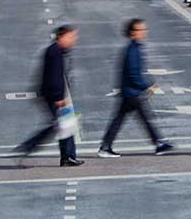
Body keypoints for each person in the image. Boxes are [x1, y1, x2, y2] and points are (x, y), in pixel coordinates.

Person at [98, 19, 173, 158]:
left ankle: (105, 146)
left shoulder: (133, 48)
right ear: (132, 32)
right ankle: (158, 143)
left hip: (129, 92)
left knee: (122, 119)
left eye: (144, 29)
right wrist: (147, 85)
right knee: (144, 118)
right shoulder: (133, 50)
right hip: (132, 92)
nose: (143, 32)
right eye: (140, 29)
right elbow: (133, 74)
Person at [16, 25, 84, 167]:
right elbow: (54, 77)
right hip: (54, 96)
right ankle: (29, 146)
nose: (73, 39)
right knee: (61, 125)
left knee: (65, 125)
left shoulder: (59, 51)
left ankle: (67, 157)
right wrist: (59, 97)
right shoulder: (55, 52)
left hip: (55, 94)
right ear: (61, 37)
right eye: (71, 36)